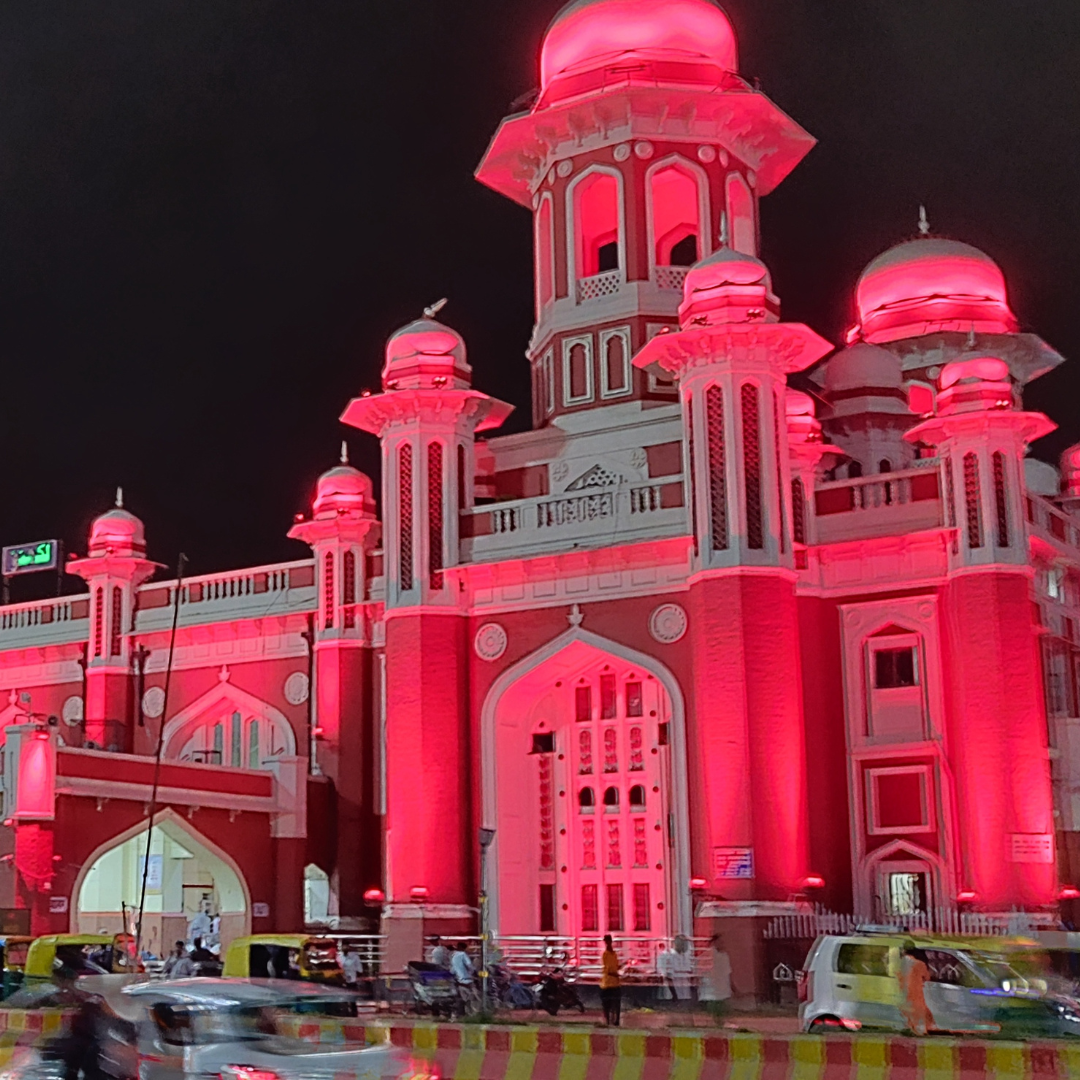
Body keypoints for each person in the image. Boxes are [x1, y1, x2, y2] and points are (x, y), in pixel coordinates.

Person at [899, 946, 934, 1036]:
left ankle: (908, 1027)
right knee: (919, 1012)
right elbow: (927, 977)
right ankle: (920, 1031)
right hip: (916, 992)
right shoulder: (919, 964)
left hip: (902, 991)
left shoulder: (898, 964)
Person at [698, 935, 732, 1018]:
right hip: (711, 990)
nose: (723, 944)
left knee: (722, 1010)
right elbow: (700, 972)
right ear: (714, 943)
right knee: (712, 1011)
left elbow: (728, 973)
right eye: (720, 942)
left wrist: (732, 987)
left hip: (722, 989)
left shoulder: (724, 956)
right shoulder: (706, 955)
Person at [600, 935, 621, 1027]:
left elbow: (614, 967)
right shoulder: (607, 954)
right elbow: (608, 970)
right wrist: (616, 974)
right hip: (609, 982)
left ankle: (614, 1020)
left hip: (611, 982)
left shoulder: (612, 954)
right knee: (610, 1003)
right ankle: (610, 1020)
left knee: (614, 1003)